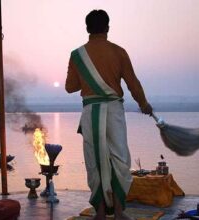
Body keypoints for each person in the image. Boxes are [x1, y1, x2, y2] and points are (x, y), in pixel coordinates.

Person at [65, 10, 153, 220]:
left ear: (87, 29)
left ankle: (101, 213)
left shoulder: (77, 55)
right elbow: (133, 83)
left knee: (95, 161)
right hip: (114, 112)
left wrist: (86, 79)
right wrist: (144, 103)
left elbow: (70, 87)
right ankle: (120, 212)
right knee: (120, 161)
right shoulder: (119, 52)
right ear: (108, 27)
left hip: (90, 112)